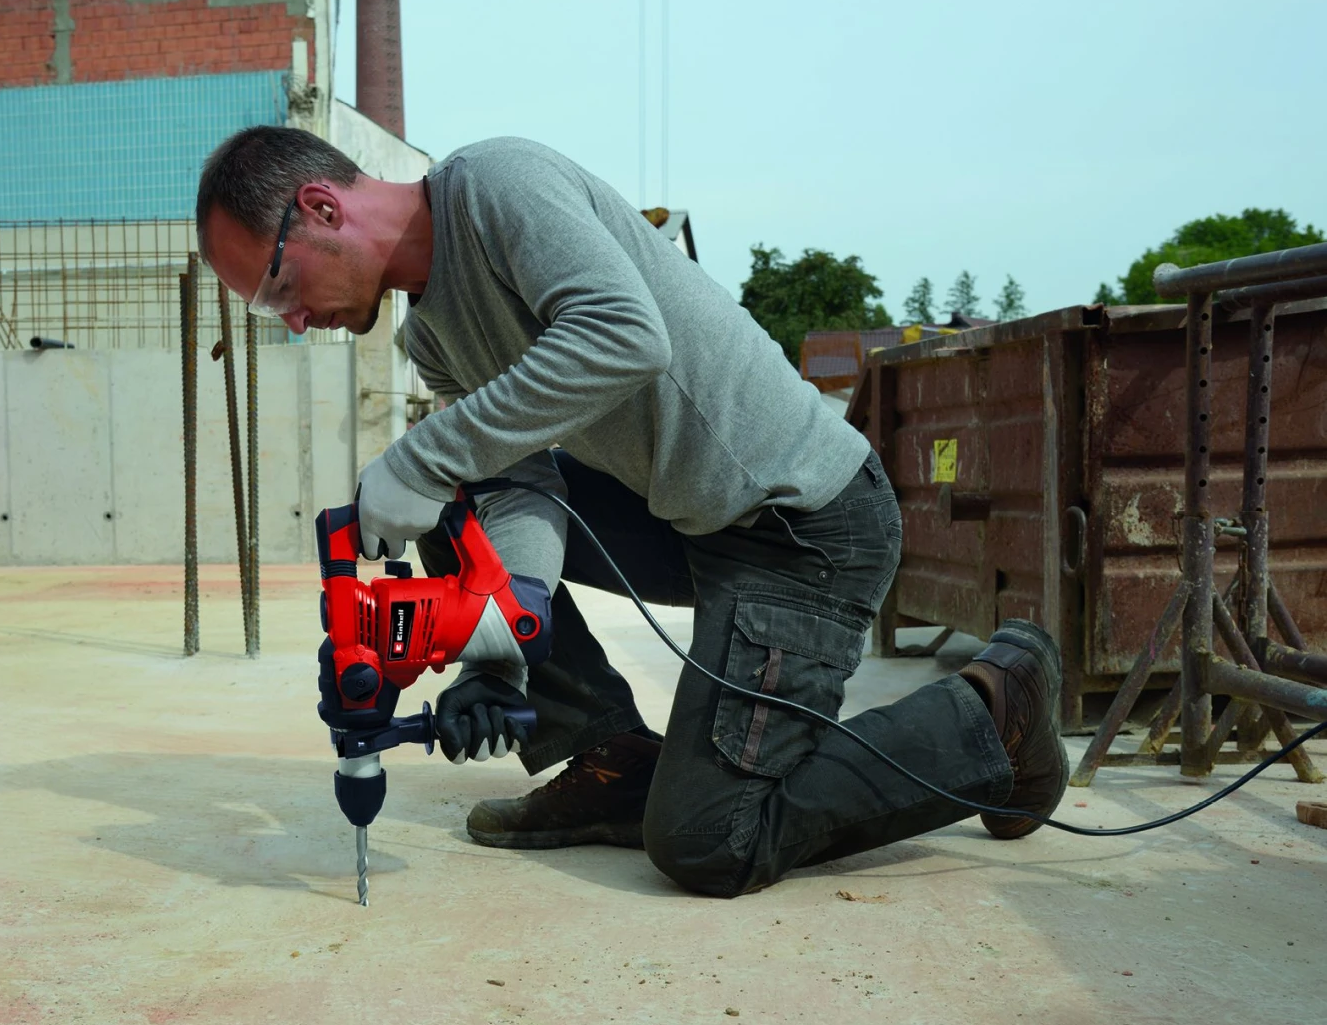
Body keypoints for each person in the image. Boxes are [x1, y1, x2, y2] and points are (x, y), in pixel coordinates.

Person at [196, 127, 1069, 898]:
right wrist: (496, 656)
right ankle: (612, 758)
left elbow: (624, 337)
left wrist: (425, 454)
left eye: (277, 289)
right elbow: (518, 487)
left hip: (804, 527)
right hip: (693, 524)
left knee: (710, 841)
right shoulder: (430, 337)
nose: (294, 321)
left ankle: (997, 715)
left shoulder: (497, 183)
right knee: (456, 506)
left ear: (321, 208)